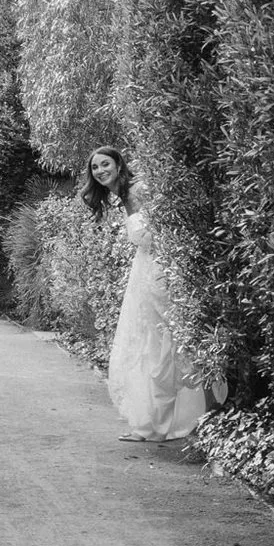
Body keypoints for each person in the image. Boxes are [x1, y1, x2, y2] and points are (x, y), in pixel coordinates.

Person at [82, 146, 207, 443]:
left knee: (165, 342)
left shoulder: (139, 190)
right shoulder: (122, 196)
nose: (100, 171)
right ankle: (153, 423)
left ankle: (169, 421)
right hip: (144, 273)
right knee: (146, 343)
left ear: (118, 163)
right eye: (95, 167)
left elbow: (168, 226)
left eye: (105, 164)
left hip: (159, 272)